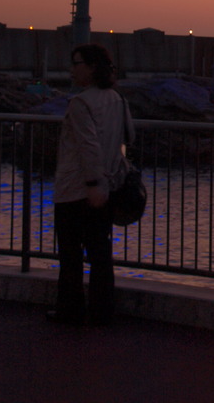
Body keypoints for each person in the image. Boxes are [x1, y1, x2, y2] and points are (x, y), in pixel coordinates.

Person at [49, 43, 133, 326]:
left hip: (77, 187)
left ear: (92, 67)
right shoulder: (117, 99)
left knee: (71, 254)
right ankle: (102, 310)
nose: (71, 69)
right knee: (100, 253)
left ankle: (69, 311)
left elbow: (87, 145)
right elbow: (128, 136)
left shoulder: (81, 103)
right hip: (107, 186)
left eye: (76, 63)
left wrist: (93, 182)